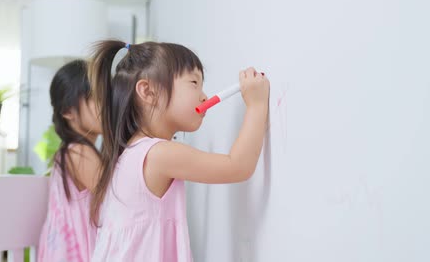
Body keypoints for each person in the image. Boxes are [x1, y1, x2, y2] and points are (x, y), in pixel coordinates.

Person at [88, 40, 269, 261]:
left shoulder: (127, 156)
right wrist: (256, 105)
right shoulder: (159, 154)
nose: (204, 96)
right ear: (148, 91)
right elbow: (238, 166)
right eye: (194, 82)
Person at [37, 59, 103, 262]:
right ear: (68, 111)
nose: (107, 106)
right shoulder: (79, 153)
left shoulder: (73, 151)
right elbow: (117, 201)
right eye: (96, 98)